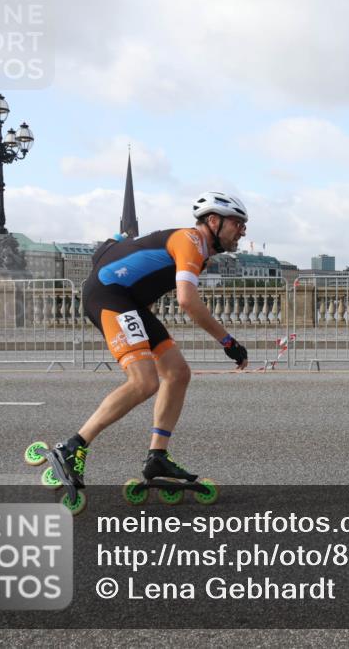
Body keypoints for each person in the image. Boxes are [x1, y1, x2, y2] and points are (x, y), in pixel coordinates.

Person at [43, 192, 250, 503]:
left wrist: (144, 328)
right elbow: (187, 301)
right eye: (237, 223)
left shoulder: (202, 254)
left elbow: (145, 278)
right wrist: (228, 341)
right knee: (144, 381)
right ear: (213, 221)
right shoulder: (191, 241)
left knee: (178, 373)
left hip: (132, 303)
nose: (243, 231)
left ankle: (157, 457)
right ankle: (72, 446)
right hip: (111, 297)